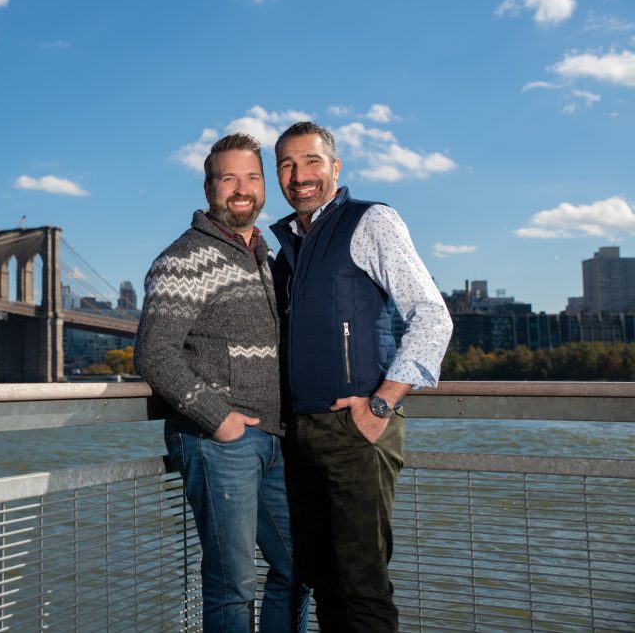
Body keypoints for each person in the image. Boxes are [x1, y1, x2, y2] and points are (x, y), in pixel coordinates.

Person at [269, 121, 453, 632]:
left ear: (335, 168)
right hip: (300, 435)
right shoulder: (287, 248)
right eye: (286, 164)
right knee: (323, 581)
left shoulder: (371, 221)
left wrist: (379, 407)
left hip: (356, 432)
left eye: (310, 161)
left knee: (362, 588)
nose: (299, 175)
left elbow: (433, 316)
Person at [134, 132, 309, 632]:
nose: (242, 188)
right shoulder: (184, 258)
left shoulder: (265, 259)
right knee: (232, 585)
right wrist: (219, 419)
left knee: (302, 564)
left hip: (273, 440)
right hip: (218, 440)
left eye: (252, 177)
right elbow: (153, 352)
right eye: (229, 177)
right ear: (209, 188)